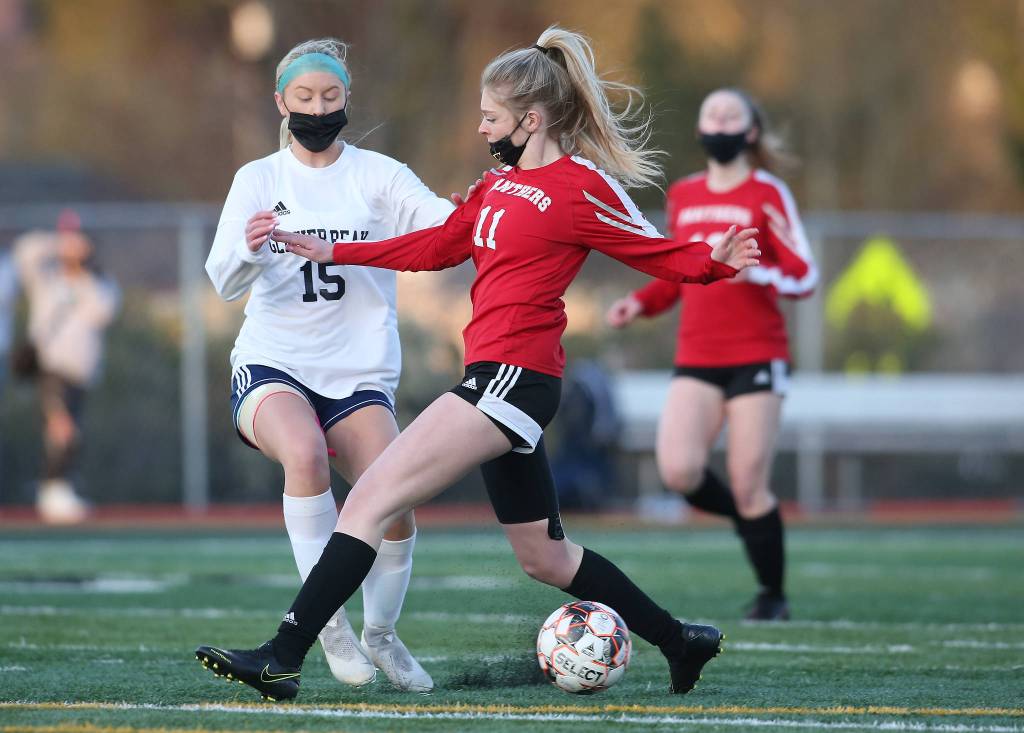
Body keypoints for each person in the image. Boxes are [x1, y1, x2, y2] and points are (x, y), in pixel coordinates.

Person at [195, 26, 760, 702]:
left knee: (371, 495)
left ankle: (283, 656)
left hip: (514, 379)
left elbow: (657, 249)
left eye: (491, 116)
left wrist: (714, 262)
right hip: (496, 379)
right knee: (544, 556)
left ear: (531, 119)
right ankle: (679, 640)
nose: (482, 126)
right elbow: (436, 245)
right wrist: (334, 252)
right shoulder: (496, 186)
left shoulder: (581, 187)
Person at [204, 38, 460, 692]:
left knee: (393, 501)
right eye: (304, 97)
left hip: (359, 376)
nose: (318, 107)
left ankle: (380, 632)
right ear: (281, 103)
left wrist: (467, 215)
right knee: (306, 454)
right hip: (274, 365)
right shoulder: (257, 179)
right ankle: (329, 623)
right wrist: (251, 249)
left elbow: (441, 230)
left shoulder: (378, 175)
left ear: (347, 98)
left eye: (330, 96)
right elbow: (223, 280)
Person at [605, 88, 818, 620]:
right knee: (678, 471)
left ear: (749, 132)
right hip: (697, 355)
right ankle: (751, 521)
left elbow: (805, 274)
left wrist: (755, 271)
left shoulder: (767, 191)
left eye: (732, 114)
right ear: (701, 131)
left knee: (750, 483)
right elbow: (679, 272)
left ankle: (773, 595)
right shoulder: (684, 194)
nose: (719, 121)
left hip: (756, 354)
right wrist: (640, 302)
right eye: (710, 114)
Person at [13, 210, 120, 524]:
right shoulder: (46, 277)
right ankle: (53, 490)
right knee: (62, 430)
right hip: (51, 368)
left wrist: (84, 270)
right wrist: (56, 244)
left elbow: (104, 311)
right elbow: (24, 251)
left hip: (81, 372)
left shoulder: (97, 282)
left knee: (70, 431)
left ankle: (59, 488)